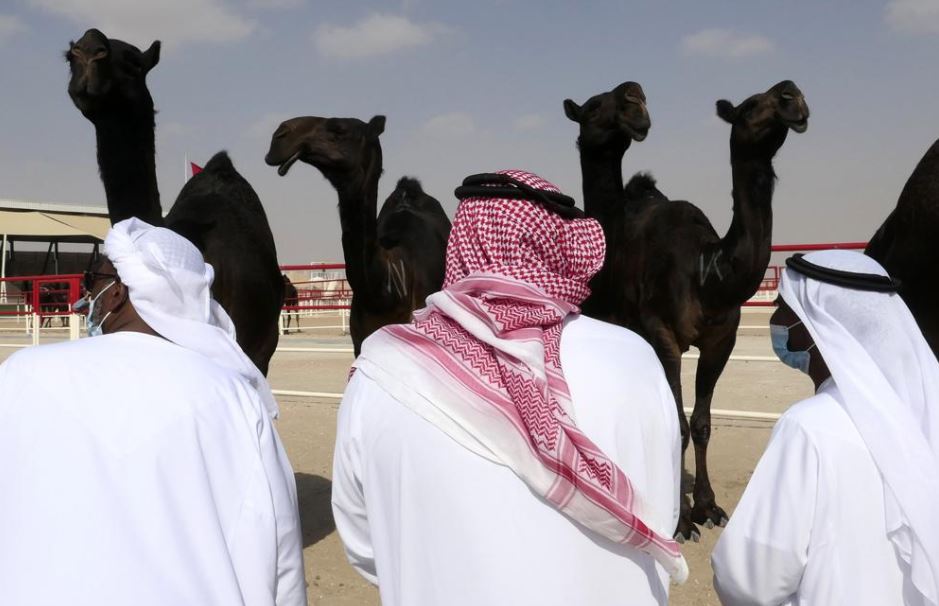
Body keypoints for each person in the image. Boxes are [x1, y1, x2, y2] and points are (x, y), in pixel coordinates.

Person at [331, 170, 687, 606]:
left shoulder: (380, 371)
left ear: (461, 241)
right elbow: (662, 513)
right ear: (563, 244)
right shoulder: (636, 358)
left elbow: (366, 547)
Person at [0, 218, 306, 606]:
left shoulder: (21, 373)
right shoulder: (235, 400)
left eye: (97, 278)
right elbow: (281, 564)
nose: (87, 291)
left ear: (116, 294)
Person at [712, 250, 939, 605]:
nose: (777, 320)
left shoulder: (809, 427)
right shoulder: (925, 408)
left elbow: (748, 580)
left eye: (785, 309)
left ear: (816, 324)